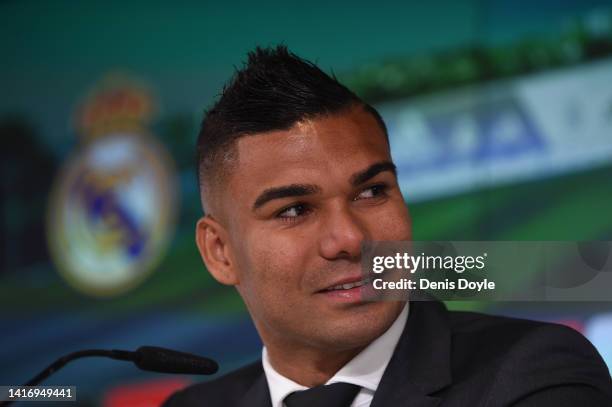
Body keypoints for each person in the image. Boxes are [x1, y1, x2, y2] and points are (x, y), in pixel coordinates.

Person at [163, 46, 612, 407]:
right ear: (219, 251)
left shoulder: (533, 374)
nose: (352, 238)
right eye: (295, 210)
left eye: (372, 192)